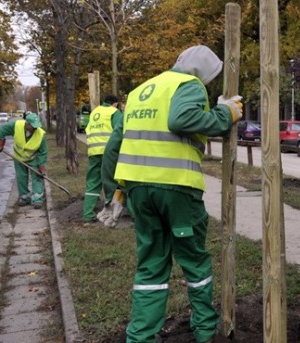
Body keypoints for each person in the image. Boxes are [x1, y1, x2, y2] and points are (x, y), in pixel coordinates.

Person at [103, 45, 243, 343]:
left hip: (139, 190)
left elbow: (116, 143)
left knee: (151, 263)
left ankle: (141, 336)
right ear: (203, 73)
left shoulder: (143, 90)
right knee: (193, 259)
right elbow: (181, 120)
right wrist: (225, 113)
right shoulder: (189, 84)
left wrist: (117, 189)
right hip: (176, 189)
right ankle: (206, 330)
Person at [82, 94, 123, 225]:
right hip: (109, 153)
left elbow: (87, 130)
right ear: (115, 103)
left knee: (93, 183)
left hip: (94, 152)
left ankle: (88, 215)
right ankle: (132, 214)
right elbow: (120, 131)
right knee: (118, 182)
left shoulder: (95, 112)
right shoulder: (114, 112)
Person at [0, 113, 48, 209]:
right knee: (21, 177)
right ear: (27, 124)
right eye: (33, 126)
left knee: (37, 176)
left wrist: (41, 166)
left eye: (36, 126)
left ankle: (37, 198)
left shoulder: (41, 134)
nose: (35, 128)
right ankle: (24, 197)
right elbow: (2, 130)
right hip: (19, 157)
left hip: (33, 158)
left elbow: (43, 152)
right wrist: (0, 143)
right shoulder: (16, 126)